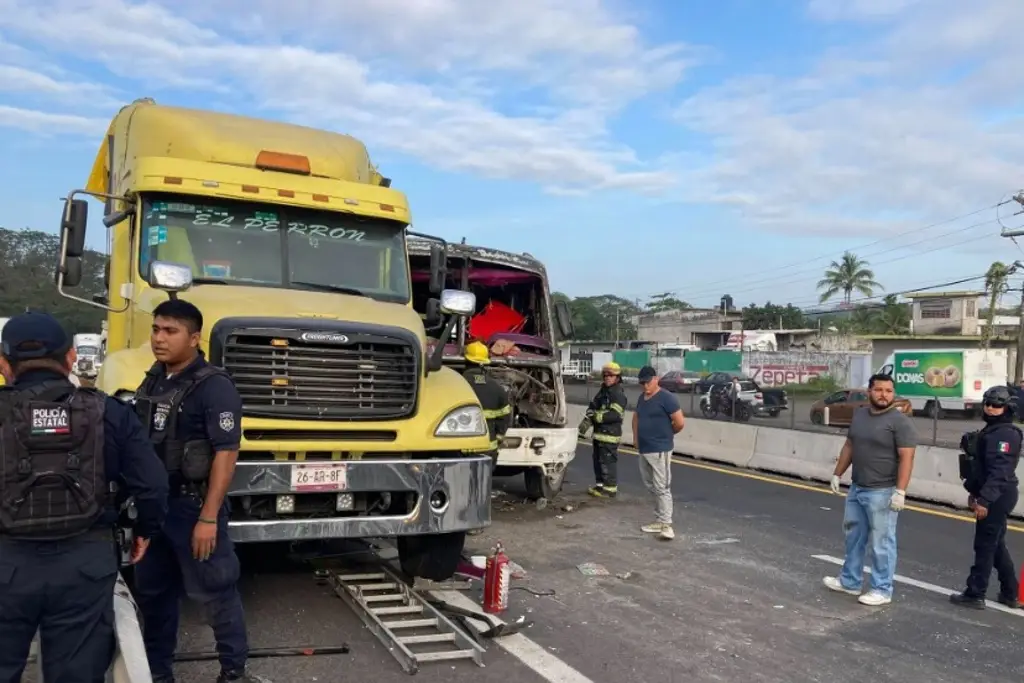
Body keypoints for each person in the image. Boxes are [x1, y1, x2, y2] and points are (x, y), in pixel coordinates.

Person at [0, 312, 168, 683]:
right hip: (85, 562)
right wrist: (144, 529)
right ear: (72, 357)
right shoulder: (109, 411)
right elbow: (153, 484)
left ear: (3, 361)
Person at [130, 299, 268, 683]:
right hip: (156, 510)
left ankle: (233, 672)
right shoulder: (154, 379)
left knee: (215, 593)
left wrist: (208, 517)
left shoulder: (214, 386)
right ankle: (158, 674)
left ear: (194, 338)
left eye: (170, 331)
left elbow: (226, 452)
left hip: (194, 508)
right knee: (155, 597)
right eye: (156, 329)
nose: (159, 338)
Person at [823, 373, 916, 607]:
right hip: (857, 488)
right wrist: (837, 473)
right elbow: (850, 445)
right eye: (879, 390)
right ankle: (850, 581)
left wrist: (901, 491)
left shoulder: (900, 421)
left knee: (881, 543)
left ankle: (882, 589)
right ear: (869, 392)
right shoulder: (860, 415)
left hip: (882, 491)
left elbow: (907, 457)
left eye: (889, 391)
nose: (884, 395)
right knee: (853, 537)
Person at [949, 385, 1021, 609]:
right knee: (995, 544)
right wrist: (975, 493)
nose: (990, 408)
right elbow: (980, 469)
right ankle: (1011, 592)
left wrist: (985, 500)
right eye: (987, 404)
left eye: (996, 405)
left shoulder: (1006, 434)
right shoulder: (991, 431)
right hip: (990, 492)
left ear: (1007, 407)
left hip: (998, 495)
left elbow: (1000, 472)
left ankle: (975, 593)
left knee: (985, 545)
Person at [632, 366, 684, 540]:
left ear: (656, 379)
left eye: (647, 382)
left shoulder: (667, 398)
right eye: (642, 383)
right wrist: (636, 437)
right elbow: (636, 417)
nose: (645, 386)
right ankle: (659, 519)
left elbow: (679, 422)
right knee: (650, 485)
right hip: (644, 449)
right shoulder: (642, 398)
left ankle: (666, 524)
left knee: (662, 486)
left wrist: (666, 435)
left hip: (660, 449)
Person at [578, 361, 627, 498]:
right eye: (605, 375)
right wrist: (587, 418)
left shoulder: (618, 394)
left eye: (610, 375)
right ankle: (600, 486)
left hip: (610, 435)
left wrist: (597, 416)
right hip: (599, 434)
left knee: (608, 462)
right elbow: (593, 405)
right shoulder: (603, 391)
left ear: (617, 378)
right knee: (598, 461)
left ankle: (609, 490)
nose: (607, 377)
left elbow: (615, 415)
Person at [462, 341, 512, 462]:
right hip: (487, 450)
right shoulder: (497, 388)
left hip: (460, 451)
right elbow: (505, 419)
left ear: (466, 361)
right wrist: (498, 438)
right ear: (484, 363)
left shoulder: (457, 385)